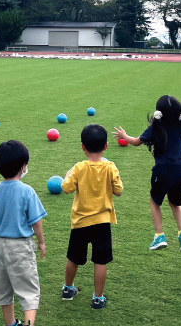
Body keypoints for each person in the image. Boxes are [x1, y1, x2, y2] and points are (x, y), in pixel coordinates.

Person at [113, 95, 181, 251]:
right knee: (175, 203)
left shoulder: (155, 128)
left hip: (162, 172)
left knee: (155, 201)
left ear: (159, 113)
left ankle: (159, 236)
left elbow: (135, 142)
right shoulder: (179, 127)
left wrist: (124, 136)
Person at [0, 140, 47, 326]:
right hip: (21, 247)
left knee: (4, 289)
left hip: (1, 246)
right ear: (23, 166)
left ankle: (10, 323)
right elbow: (36, 222)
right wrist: (41, 242)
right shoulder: (27, 191)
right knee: (29, 290)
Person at [61, 123, 123, 310]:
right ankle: (97, 298)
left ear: (83, 146)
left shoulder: (79, 168)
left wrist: (67, 175)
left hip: (80, 222)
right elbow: (119, 191)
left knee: (73, 257)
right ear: (105, 146)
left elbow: (66, 188)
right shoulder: (111, 167)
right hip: (102, 223)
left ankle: (68, 289)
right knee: (100, 261)